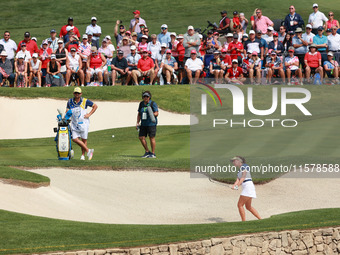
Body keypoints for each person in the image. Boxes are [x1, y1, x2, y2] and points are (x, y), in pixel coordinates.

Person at [66, 87, 97, 160]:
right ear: (73, 93)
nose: (77, 94)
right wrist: (67, 115)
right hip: (74, 123)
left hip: (83, 123)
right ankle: (88, 150)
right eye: (76, 93)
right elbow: (67, 110)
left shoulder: (85, 101)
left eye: (78, 93)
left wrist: (89, 114)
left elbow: (95, 106)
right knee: (74, 139)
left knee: (84, 140)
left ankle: (83, 155)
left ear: (81, 94)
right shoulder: (70, 101)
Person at [230, 156, 261, 222]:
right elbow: (238, 180)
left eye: (234, 161)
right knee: (248, 207)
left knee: (240, 205)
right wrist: (234, 185)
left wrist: (237, 186)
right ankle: (260, 220)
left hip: (248, 186)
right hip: (247, 187)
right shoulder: (239, 170)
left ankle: (243, 222)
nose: (233, 162)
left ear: (239, 161)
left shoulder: (245, 166)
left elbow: (243, 177)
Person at [136, 91, 158, 158]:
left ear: (149, 97)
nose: (145, 98)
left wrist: (151, 114)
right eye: (144, 96)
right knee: (141, 137)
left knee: (151, 138)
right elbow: (139, 114)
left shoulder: (152, 103)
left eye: (147, 96)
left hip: (151, 124)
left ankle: (153, 153)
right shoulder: (141, 104)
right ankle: (147, 151)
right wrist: (137, 122)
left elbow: (156, 113)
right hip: (143, 124)